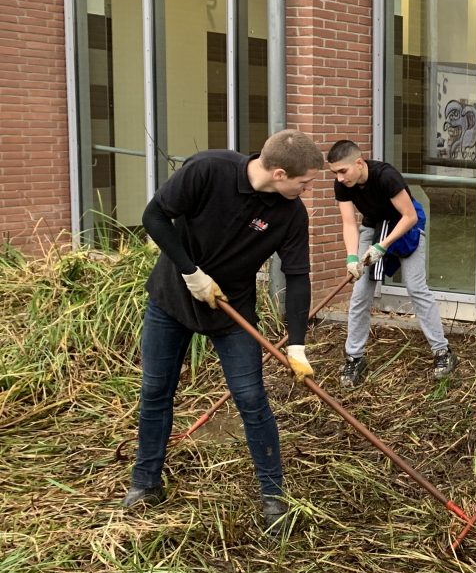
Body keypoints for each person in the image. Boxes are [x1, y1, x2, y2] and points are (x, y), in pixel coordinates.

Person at [123, 129, 323, 533]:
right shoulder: (209, 170)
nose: (307, 189)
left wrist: (298, 343)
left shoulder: (290, 213)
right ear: (280, 173)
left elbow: (298, 277)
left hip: (231, 308)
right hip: (173, 297)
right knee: (156, 390)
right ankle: (145, 483)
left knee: (251, 397)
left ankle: (273, 498)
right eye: (304, 182)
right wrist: (190, 271)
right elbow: (154, 216)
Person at [326, 140, 457, 386]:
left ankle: (443, 352)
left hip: (405, 227)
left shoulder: (386, 176)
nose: (340, 178)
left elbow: (410, 216)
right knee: (360, 293)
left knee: (415, 286)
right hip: (373, 227)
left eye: (343, 171)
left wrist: (382, 247)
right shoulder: (343, 185)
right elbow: (348, 223)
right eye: (335, 173)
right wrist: (352, 257)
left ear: (359, 162)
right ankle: (354, 358)